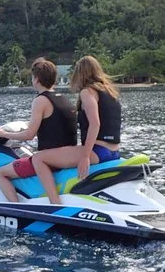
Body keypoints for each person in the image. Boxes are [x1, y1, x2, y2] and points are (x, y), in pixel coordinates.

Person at [31, 55, 121, 204]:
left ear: (80, 73)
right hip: (114, 151)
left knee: (38, 158)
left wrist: (85, 156)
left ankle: (55, 204)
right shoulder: (110, 92)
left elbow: (95, 124)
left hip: (97, 151)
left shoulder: (87, 92)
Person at [0, 58, 77, 202]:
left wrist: (3, 133)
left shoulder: (40, 101)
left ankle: (16, 208)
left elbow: (29, 135)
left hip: (50, 160)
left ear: (36, 79)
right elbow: (53, 124)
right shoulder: (63, 99)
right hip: (67, 156)